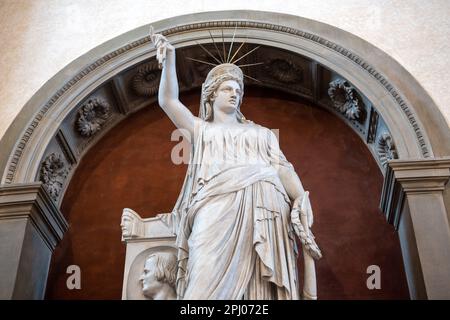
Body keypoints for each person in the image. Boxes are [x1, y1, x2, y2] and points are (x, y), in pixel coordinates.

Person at [150, 28, 321, 300]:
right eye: (227, 88)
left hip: (265, 205)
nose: (235, 93)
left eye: (238, 90)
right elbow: (168, 101)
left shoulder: (261, 134)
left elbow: (281, 167)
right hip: (214, 206)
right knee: (202, 280)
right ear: (211, 94)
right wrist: (169, 60)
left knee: (261, 288)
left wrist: (301, 197)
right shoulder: (201, 130)